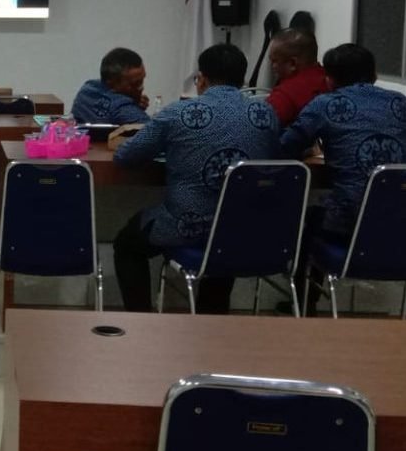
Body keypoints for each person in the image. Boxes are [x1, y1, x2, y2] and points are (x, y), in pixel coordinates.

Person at [112, 44, 280, 314]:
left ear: (201, 78)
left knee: (127, 245)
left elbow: (126, 157)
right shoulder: (266, 115)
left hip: (185, 226)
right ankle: (211, 319)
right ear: (243, 79)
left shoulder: (177, 113)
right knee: (226, 231)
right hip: (241, 227)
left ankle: (140, 321)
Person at [280, 43, 406, 312]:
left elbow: (284, 146)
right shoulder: (400, 103)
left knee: (305, 218)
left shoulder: (325, 105)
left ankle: (303, 305)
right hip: (405, 225)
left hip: (350, 224)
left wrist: (309, 147)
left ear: (329, 80)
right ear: (375, 75)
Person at [265, 28, 332, 127]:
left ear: (292, 63)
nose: (272, 66)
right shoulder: (333, 81)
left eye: (275, 61)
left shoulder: (284, 96)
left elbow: (259, 132)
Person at [71, 47, 152, 125]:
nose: (141, 87)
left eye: (142, 80)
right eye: (134, 84)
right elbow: (154, 132)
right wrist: (135, 109)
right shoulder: (122, 107)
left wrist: (135, 105)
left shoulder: (87, 88)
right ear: (112, 82)